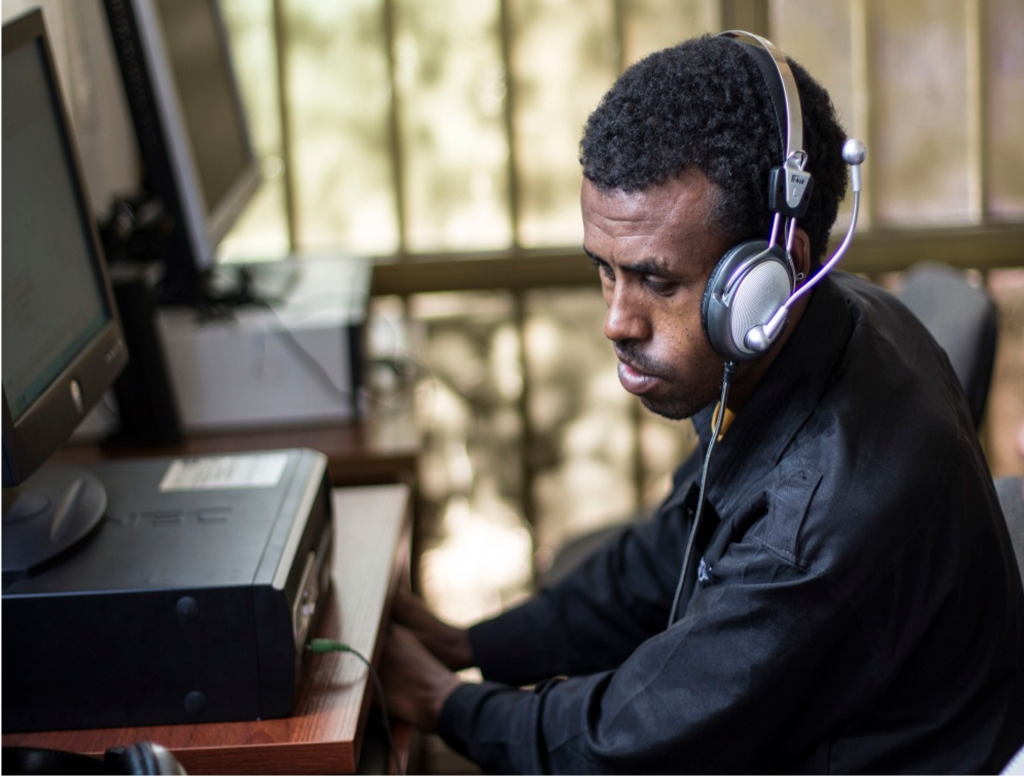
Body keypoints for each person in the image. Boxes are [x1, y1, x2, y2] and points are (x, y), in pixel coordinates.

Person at [379, 33, 1024, 773]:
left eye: (657, 281)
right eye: (605, 270)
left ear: (770, 278)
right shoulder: (820, 326)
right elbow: (675, 547)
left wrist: (441, 701)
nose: (616, 321)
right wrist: (472, 644)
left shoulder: (816, 526)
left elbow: (627, 742)